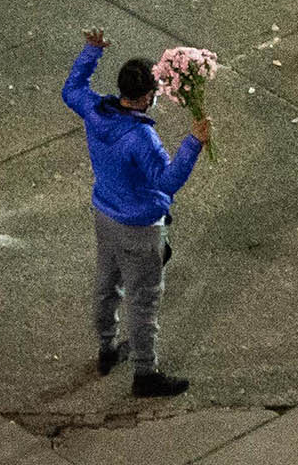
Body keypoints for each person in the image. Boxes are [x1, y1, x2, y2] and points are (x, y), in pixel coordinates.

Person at [64, 29, 208, 397]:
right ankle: (145, 373)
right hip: (138, 228)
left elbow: (72, 89)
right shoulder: (141, 138)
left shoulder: (97, 110)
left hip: (104, 215)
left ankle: (107, 349)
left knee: (106, 285)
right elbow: (167, 180)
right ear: (146, 97)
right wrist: (194, 142)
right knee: (144, 301)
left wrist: (91, 51)